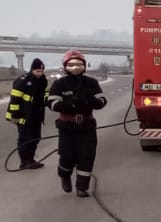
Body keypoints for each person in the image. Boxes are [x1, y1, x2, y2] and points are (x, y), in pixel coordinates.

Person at [47, 51, 107, 197]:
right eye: (71, 65)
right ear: (65, 66)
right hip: (67, 127)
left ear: (84, 66)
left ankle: (82, 187)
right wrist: (69, 104)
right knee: (67, 156)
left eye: (79, 64)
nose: (75, 67)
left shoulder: (91, 83)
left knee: (86, 156)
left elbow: (102, 101)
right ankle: (64, 175)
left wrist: (90, 101)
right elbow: (51, 103)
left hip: (87, 126)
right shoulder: (59, 83)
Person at [7, 58, 49, 170]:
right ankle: (24, 162)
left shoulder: (43, 80)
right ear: (32, 70)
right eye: (38, 71)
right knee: (25, 139)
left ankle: (31, 160)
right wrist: (15, 115)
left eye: (42, 71)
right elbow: (15, 99)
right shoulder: (23, 80)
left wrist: (48, 100)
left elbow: (45, 93)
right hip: (22, 115)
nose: (40, 74)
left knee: (35, 138)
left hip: (36, 115)